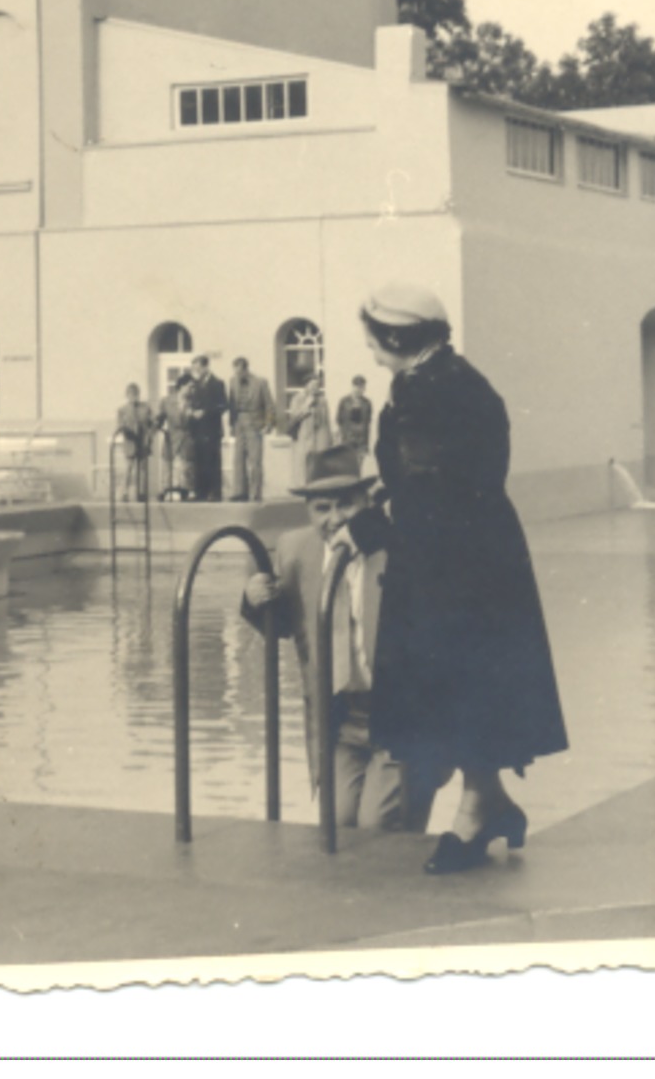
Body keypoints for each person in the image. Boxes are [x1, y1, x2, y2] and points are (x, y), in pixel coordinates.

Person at [337, 281, 569, 875]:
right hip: (478, 557)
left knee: (455, 689)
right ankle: (488, 802)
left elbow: (427, 488)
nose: (370, 353)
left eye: (373, 341)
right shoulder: (453, 380)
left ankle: (474, 815)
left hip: (451, 566)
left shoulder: (424, 394)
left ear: (396, 338)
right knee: (471, 692)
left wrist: (365, 528)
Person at [241, 446, 442, 831]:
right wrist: (255, 597)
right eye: (322, 508)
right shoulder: (297, 549)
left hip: (398, 717)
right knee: (339, 824)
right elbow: (287, 625)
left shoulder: (398, 546)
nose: (335, 520)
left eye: (346, 505)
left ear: (367, 502)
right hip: (341, 721)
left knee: (377, 827)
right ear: (308, 512)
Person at [228, 357, 276, 501]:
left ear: (245, 369)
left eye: (239, 370)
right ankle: (240, 492)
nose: (237, 374)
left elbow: (269, 405)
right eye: (235, 371)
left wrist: (268, 424)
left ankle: (256, 493)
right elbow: (231, 405)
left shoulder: (260, 382)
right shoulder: (232, 382)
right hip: (239, 423)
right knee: (238, 460)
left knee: (255, 461)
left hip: (254, 423)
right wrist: (231, 425)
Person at [184, 354, 227, 501]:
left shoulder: (217, 384)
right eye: (194, 368)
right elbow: (189, 402)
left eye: (198, 368)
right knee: (199, 461)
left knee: (212, 461)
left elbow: (223, 406)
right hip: (197, 429)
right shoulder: (195, 385)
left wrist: (205, 412)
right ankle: (200, 491)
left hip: (211, 429)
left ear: (205, 366)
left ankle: (214, 492)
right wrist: (190, 411)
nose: (196, 371)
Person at [287, 369, 333, 487]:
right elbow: (294, 416)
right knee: (304, 461)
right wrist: (307, 403)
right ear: (306, 385)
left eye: (317, 385)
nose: (315, 388)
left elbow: (326, 420)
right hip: (304, 434)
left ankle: (318, 486)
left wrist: (329, 437)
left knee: (319, 461)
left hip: (320, 434)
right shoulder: (298, 398)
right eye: (312, 385)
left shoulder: (322, 400)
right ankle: (304, 486)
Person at [155, 374, 194, 498]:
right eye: (190, 387)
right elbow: (160, 418)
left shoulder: (194, 401)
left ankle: (186, 489)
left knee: (186, 465)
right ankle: (165, 489)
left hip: (187, 436)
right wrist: (157, 426)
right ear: (182, 386)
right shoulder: (167, 401)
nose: (192, 390)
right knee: (167, 463)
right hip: (171, 436)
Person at [115, 382, 153, 502]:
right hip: (130, 442)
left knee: (142, 469)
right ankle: (124, 492)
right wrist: (127, 431)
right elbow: (120, 426)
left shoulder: (145, 408)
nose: (133, 397)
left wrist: (149, 437)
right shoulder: (122, 410)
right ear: (127, 395)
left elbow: (151, 424)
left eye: (135, 394)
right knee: (128, 468)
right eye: (130, 395)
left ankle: (141, 493)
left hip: (142, 442)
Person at [336, 374, 373, 456]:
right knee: (348, 465)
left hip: (361, 441)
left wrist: (366, 444)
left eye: (362, 387)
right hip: (347, 439)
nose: (360, 390)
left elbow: (368, 422)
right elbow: (339, 419)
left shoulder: (367, 403)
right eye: (357, 387)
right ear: (352, 386)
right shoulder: (344, 401)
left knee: (359, 466)